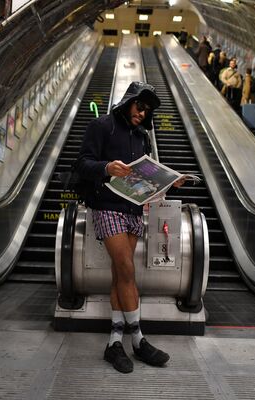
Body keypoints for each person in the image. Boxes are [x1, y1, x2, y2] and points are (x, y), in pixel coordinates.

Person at [76, 82, 183, 374]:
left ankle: (114, 342)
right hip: (106, 206)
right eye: (139, 105)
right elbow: (82, 163)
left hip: (134, 208)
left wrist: (168, 182)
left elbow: (144, 176)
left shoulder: (142, 137)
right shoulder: (102, 126)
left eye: (147, 109)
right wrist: (107, 168)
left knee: (118, 277)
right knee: (126, 269)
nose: (142, 112)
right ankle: (138, 339)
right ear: (128, 101)